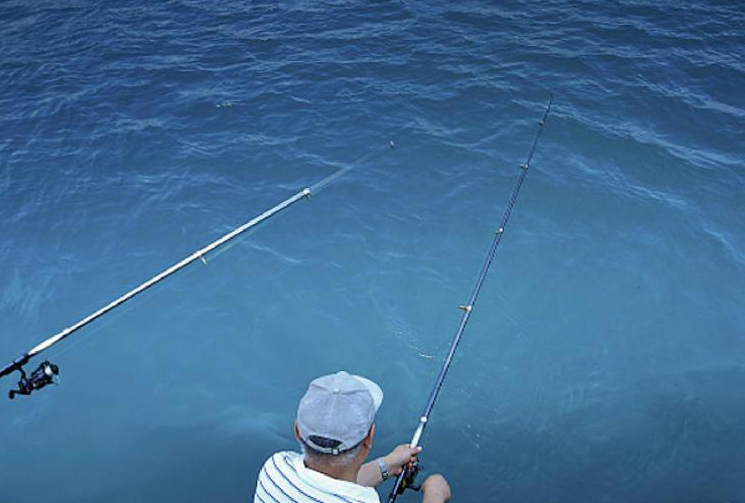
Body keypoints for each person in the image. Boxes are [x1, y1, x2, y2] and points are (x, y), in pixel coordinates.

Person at [254, 371, 451, 503]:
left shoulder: (275, 468)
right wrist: (434, 493)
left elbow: (331, 486)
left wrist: (388, 464)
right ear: (369, 437)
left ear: (297, 431)